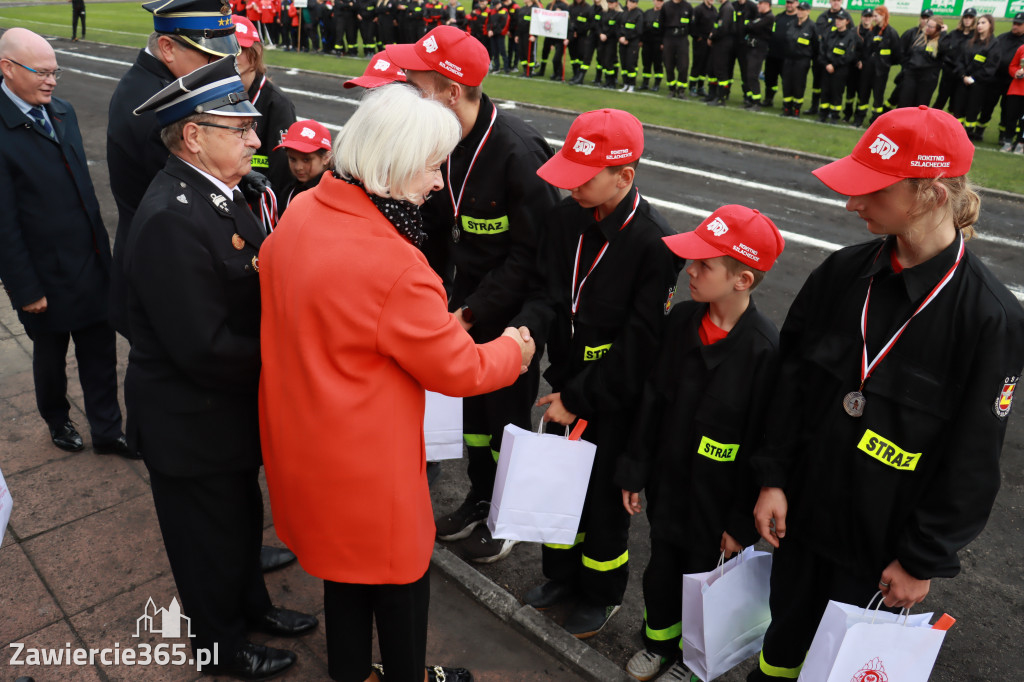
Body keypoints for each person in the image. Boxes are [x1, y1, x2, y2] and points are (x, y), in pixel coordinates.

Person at [260, 84, 532, 682]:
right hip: (368, 469)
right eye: (434, 165)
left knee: (342, 578)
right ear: (395, 162)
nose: (439, 182)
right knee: (400, 588)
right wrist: (515, 348)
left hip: (305, 445)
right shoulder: (397, 267)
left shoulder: (303, 209)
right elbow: (462, 369)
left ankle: (353, 671)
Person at [746, 105, 1024, 681]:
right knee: (780, 652)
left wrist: (920, 560)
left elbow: (973, 460)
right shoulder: (841, 275)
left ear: (931, 193)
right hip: (802, 522)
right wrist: (772, 478)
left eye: (871, 189)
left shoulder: (989, 318)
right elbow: (790, 386)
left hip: (879, 556)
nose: (852, 203)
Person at [125, 57, 318, 680]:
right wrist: (290, 361)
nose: (256, 142)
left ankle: (252, 609)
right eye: (240, 131)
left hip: (220, 413)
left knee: (236, 521)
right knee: (205, 543)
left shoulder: (221, 195)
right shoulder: (173, 219)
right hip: (190, 418)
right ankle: (221, 648)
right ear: (192, 136)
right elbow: (203, 346)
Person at [386, 26, 561, 562]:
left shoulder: (517, 152)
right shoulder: (444, 142)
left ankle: (505, 518)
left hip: (508, 317)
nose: (409, 93)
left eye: (417, 85)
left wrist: (471, 312)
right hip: (464, 308)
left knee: (505, 419)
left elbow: (532, 258)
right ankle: (481, 497)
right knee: (474, 420)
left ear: (451, 91)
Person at [510, 109, 681, 639]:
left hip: (611, 397)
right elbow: (547, 293)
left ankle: (601, 593)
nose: (572, 187)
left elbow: (639, 347)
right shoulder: (566, 219)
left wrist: (580, 399)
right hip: (566, 382)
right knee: (561, 488)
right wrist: (524, 332)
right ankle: (561, 577)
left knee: (604, 503)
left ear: (624, 177)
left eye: (582, 178)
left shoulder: (654, 244)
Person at [618, 204, 784, 682]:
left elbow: (762, 444)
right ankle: (658, 642)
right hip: (670, 487)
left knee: (705, 583)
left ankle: (695, 662)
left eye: (704, 264)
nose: (690, 270)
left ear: (742, 280)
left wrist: (740, 522)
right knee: (662, 572)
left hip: (718, 507)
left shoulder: (763, 352)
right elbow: (652, 400)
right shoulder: (682, 321)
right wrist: (635, 468)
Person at [0, 28, 132, 459]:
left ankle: (108, 430)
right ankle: (57, 419)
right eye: (42, 72)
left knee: (99, 351)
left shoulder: (63, 111)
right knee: (50, 356)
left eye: (55, 72)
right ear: (8, 68)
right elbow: (4, 223)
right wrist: (25, 289)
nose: (52, 81)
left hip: (90, 262)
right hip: (43, 275)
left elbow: (85, 195)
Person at [106, 0, 241, 342]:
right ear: (166, 47)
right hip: (165, 275)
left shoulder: (156, 86)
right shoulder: (159, 110)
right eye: (209, 56)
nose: (219, 65)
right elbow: (193, 199)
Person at [232, 15, 297, 221]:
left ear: (256, 52)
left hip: (262, 209)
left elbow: (284, 174)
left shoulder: (277, 104)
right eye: (225, 47)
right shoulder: (216, 94)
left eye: (239, 49)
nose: (231, 55)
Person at [852, 5, 899, 127]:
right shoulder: (871, 32)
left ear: (883, 16)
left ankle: (875, 121)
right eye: (873, 16)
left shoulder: (891, 33)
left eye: (875, 16)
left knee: (878, 97)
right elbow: (864, 49)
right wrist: (862, 60)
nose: (873, 18)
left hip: (881, 72)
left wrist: (885, 64)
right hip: (867, 70)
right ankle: (859, 118)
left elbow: (897, 54)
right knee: (863, 95)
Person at [274, 119, 333, 214]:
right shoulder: (290, 190)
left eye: (306, 160)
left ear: (326, 158)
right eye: (292, 159)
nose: (298, 167)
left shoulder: (335, 193)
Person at [954, 13, 996, 141]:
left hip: (979, 84)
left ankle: (967, 134)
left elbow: (991, 65)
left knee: (972, 109)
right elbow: (960, 60)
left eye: (983, 23)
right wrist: (963, 75)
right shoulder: (970, 42)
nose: (979, 25)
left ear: (990, 25)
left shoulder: (994, 44)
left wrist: (973, 78)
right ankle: (956, 132)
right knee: (959, 107)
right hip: (963, 81)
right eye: (978, 23)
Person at [817, 9, 856, 123]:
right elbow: (822, 50)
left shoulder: (850, 36)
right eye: (837, 19)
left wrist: (834, 65)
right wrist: (827, 64)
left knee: (836, 93)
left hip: (840, 70)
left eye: (841, 19)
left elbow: (849, 55)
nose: (838, 21)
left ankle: (834, 116)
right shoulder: (829, 34)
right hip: (826, 68)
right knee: (825, 92)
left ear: (847, 21)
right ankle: (823, 115)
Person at [933, 7, 975, 113]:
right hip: (948, 72)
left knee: (956, 103)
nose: (967, 19)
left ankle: (951, 126)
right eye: (966, 17)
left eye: (970, 17)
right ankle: (932, 123)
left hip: (962, 75)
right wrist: (943, 33)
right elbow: (943, 47)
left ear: (974, 20)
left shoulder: (975, 37)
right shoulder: (954, 33)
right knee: (941, 99)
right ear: (962, 19)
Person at [992, 13, 1024, 146]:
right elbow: (1013, 64)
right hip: (996, 79)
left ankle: (1006, 136)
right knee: (989, 106)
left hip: (1013, 84)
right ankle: (978, 131)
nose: (1015, 26)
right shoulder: (1002, 38)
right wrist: (1015, 72)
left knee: (1009, 112)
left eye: (1019, 24)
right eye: (1014, 23)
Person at [897, 16, 943, 108]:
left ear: (937, 29)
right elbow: (908, 53)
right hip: (911, 75)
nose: (927, 28)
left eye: (931, 27)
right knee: (904, 103)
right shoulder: (919, 38)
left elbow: (945, 51)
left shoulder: (941, 42)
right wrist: (906, 68)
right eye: (927, 25)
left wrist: (944, 33)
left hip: (927, 79)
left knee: (920, 106)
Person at [779, 1, 815, 118]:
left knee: (798, 85)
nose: (800, 11)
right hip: (788, 59)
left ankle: (796, 110)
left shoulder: (811, 26)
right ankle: (786, 108)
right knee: (786, 84)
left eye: (803, 10)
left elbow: (816, 46)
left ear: (808, 11)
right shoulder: (792, 23)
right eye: (799, 9)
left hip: (802, 61)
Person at [763, 0, 796, 108]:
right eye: (788, 2)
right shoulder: (779, 17)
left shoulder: (797, 19)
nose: (789, 5)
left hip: (787, 56)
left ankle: (787, 102)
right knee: (770, 78)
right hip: (772, 54)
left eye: (791, 3)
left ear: (796, 4)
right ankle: (768, 99)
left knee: (787, 81)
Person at [741, 0, 774, 109]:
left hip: (759, 50)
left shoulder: (769, 17)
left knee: (752, 75)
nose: (758, 5)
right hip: (751, 48)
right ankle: (751, 100)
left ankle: (756, 102)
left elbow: (753, 27)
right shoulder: (759, 16)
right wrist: (751, 24)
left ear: (767, 4)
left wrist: (751, 24)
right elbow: (748, 26)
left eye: (760, 3)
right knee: (747, 74)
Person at [660, 0, 692, 98]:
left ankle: (681, 90)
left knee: (683, 65)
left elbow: (691, 23)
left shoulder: (688, 6)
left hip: (682, 38)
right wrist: (662, 42)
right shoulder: (666, 6)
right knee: (668, 65)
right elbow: (661, 24)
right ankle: (672, 89)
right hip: (669, 38)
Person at [704, 0, 734, 105]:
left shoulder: (727, 8)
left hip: (723, 44)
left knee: (720, 70)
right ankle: (712, 94)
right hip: (718, 43)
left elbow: (723, 28)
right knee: (711, 69)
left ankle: (721, 97)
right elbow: (717, 26)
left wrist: (712, 37)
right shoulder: (724, 7)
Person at [689, 0, 715, 97]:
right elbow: (692, 25)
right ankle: (692, 86)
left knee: (706, 65)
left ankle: (700, 86)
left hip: (710, 41)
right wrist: (697, 37)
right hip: (700, 41)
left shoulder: (714, 10)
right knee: (697, 63)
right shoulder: (698, 9)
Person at [617, 0, 644, 92]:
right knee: (623, 64)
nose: (631, 4)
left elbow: (638, 30)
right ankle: (625, 84)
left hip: (632, 43)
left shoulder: (638, 14)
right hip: (622, 42)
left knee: (630, 64)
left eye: (633, 2)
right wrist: (620, 37)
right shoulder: (623, 13)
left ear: (636, 4)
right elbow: (619, 26)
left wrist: (627, 38)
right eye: (629, 2)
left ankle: (631, 84)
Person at [1002, 39, 1024, 153]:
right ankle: (1008, 141)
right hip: (1016, 89)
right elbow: (1012, 66)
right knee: (1010, 116)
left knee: (1023, 120)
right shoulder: (1021, 48)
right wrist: (1016, 72)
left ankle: (1021, 143)